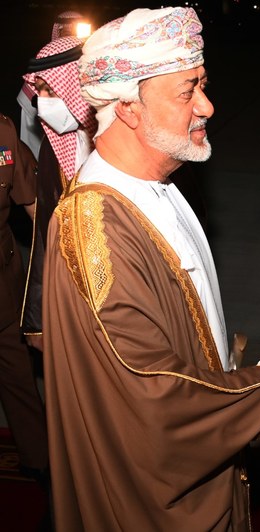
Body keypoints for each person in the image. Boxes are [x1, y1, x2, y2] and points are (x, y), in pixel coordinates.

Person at [42, 7, 260, 531]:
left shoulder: (158, 188)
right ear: (130, 109)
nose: (207, 105)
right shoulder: (95, 228)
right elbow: (151, 393)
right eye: (187, 91)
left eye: (203, 84)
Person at [20, 36, 97, 352]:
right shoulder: (53, 150)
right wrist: (38, 315)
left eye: (49, 90)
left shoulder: (117, 146)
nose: (43, 101)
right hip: (70, 291)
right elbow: (45, 235)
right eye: (39, 91)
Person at [0, 112, 49, 484]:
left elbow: (34, 206)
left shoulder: (2, 133)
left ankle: (40, 458)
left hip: (3, 282)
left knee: (15, 367)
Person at [16, 10, 91, 159]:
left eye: (76, 28)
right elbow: (29, 133)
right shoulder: (40, 75)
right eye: (66, 29)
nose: (71, 34)